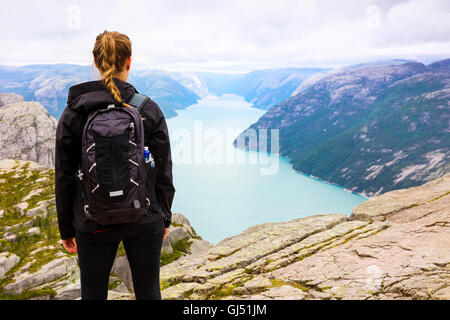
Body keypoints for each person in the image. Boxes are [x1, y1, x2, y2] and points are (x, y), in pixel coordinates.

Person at [55, 30, 175, 300]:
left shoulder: (75, 112)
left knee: (93, 294)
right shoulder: (147, 109)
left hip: (91, 219)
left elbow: (63, 175)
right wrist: (164, 214)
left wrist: (66, 227)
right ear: (129, 62)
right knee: (148, 292)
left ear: (95, 63)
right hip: (144, 216)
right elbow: (164, 167)